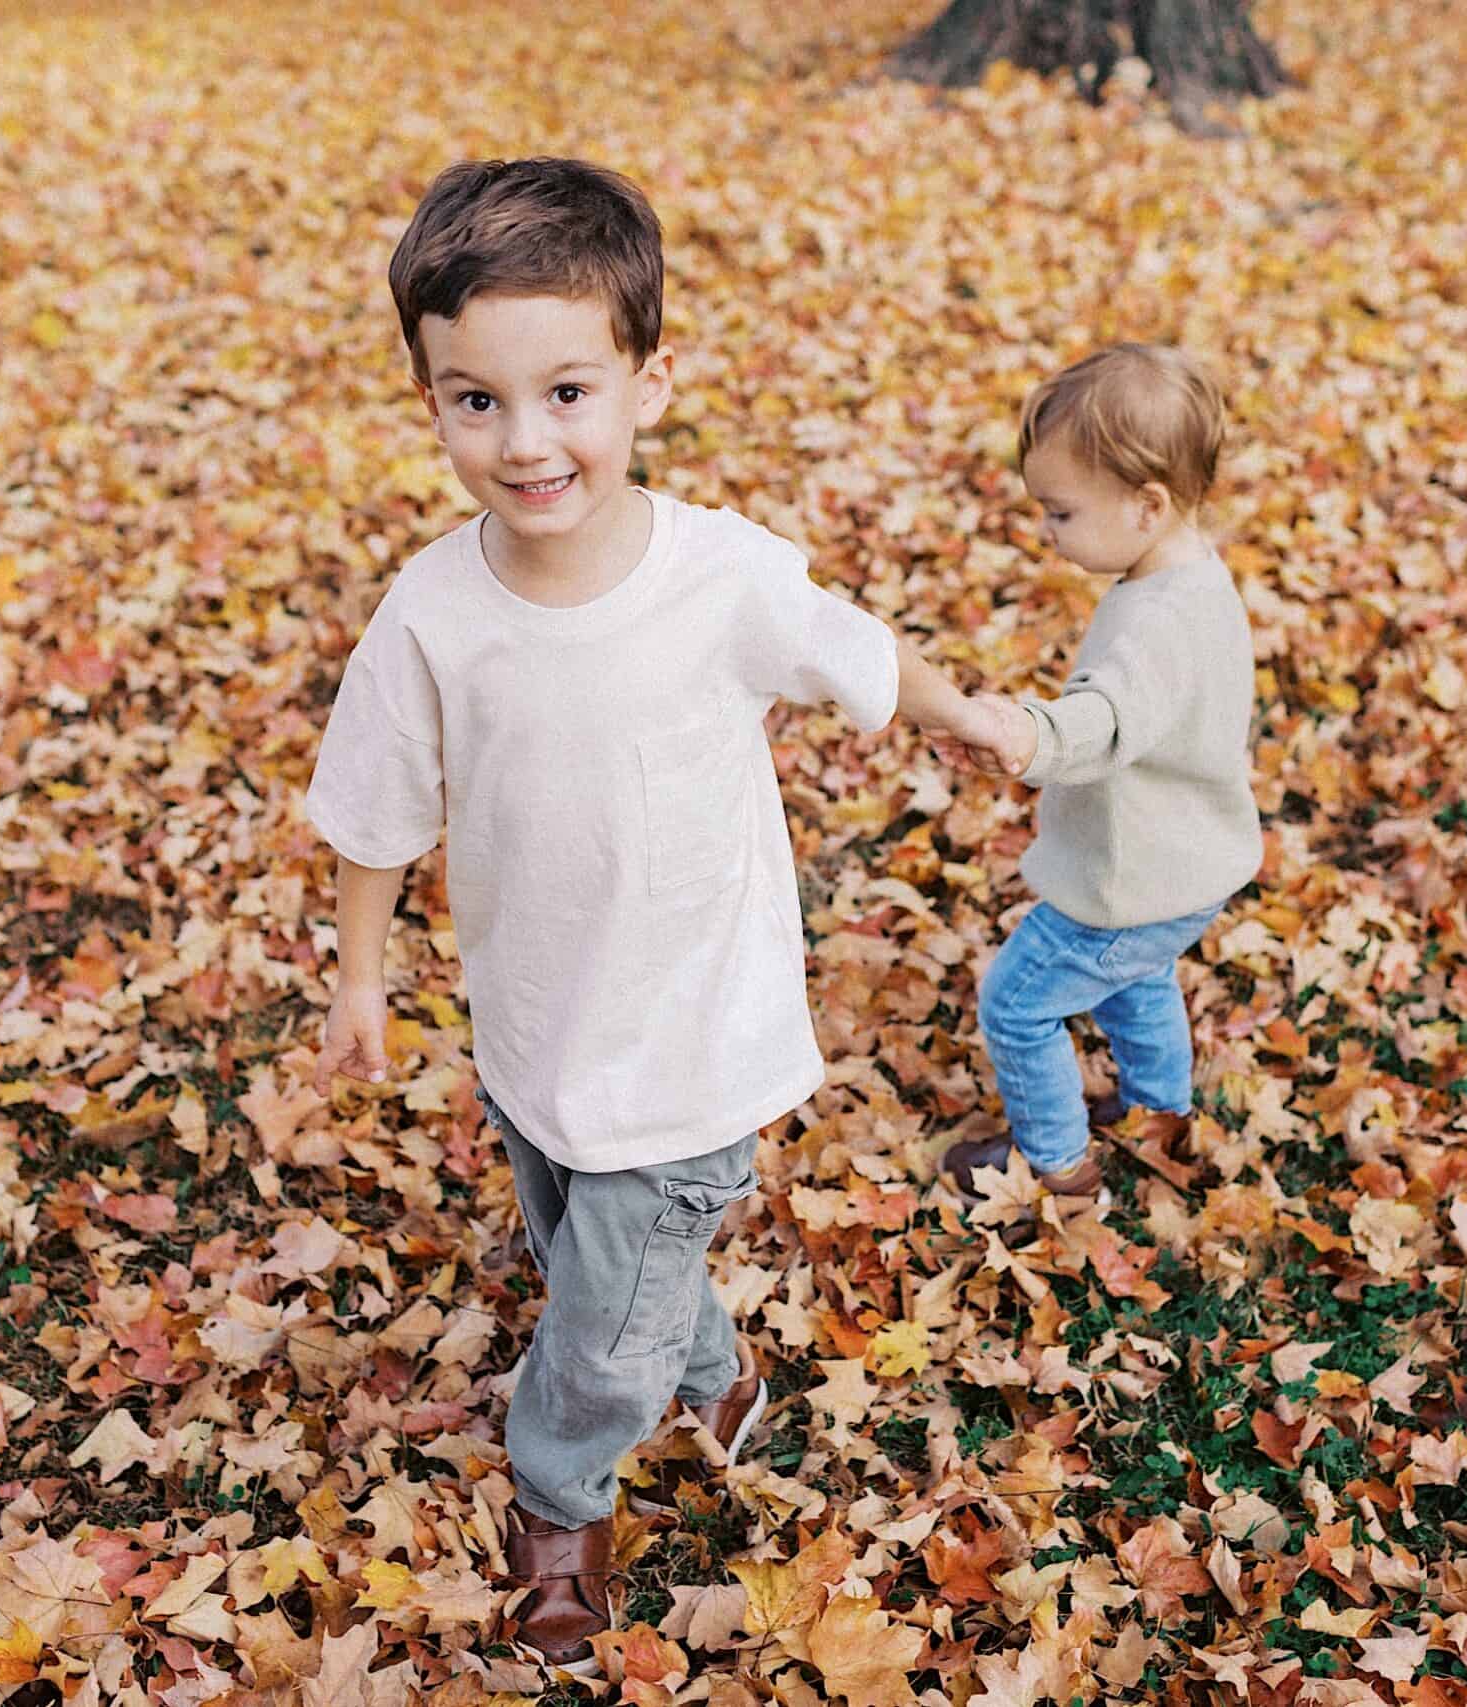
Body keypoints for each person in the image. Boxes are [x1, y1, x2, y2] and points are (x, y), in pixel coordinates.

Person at [303, 157, 1006, 1677]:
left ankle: (560, 1493)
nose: (524, 439)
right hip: (534, 1023)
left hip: (692, 1038)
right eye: (471, 400)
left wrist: (987, 720)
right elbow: (374, 806)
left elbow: (864, 661)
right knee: (588, 1255)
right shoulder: (432, 610)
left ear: (647, 381)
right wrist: (361, 980)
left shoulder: (721, 577)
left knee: (597, 1326)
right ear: (428, 399)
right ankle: (709, 1357)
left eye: (566, 390)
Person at [939, 343, 1264, 1200]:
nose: (1048, 533)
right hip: (1185, 869)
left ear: (1147, 504)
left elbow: (1107, 718)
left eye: (1062, 513)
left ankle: (1058, 1163)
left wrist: (1025, 734)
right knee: (1137, 980)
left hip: (1133, 878)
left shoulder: (1154, 624)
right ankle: (1161, 1112)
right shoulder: (1194, 579)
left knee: (1016, 1002)